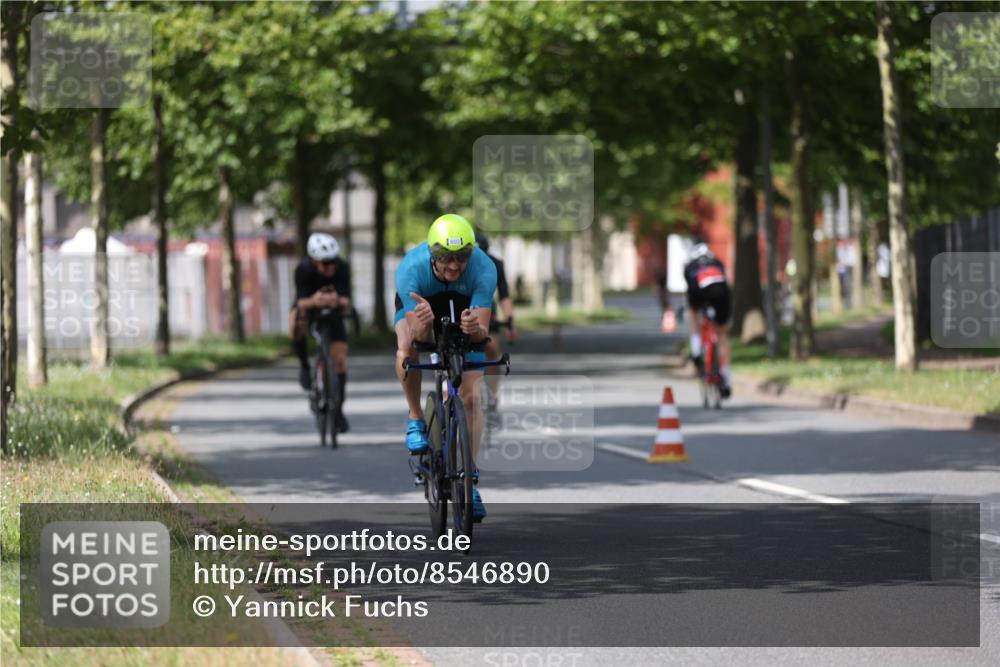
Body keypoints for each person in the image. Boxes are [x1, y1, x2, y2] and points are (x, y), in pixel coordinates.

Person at [394, 214, 496, 522]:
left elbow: (482, 335)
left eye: (461, 258)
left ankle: (469, 482)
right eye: (445, 259)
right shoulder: (410, 269)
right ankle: (415, 417)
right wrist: (423, 324)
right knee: (407, 347)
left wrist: (472, 327)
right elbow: (422, 339)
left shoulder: (483, 268)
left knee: (473, 398)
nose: (453, 265)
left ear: (471, 252)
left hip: (464, 308)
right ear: (431, 254)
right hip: (422, 308)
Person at [289, 232, 352, 431]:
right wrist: (314, 301)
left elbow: (347, 299)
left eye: (333, 262)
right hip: (310, 306)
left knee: (340, 359)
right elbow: (301, 301)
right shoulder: (303, 270)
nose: (330, 267)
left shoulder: (341, 268)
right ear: (313, 261)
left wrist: (336, 300)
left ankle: (338, 409)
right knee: (294, 321)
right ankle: (304, 366)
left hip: (333, 310)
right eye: (325, 264)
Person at [475, 231, 517, 415]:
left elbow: (504, 295)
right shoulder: (462, 263)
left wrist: (510, 323)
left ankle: (492, 395)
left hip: (486, 308)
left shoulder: (495, 264)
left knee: (492, 350)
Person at [683, 242, 732, 398]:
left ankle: (696, 351)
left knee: (693, 313)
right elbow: (726, 280)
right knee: (722, 335)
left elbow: (689, 289)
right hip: (721, 294)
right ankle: (726, 378)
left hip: (699, 292)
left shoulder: (690, 266)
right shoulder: (717, 263)